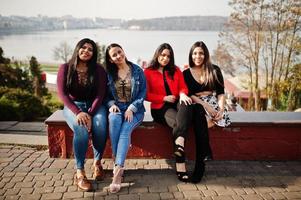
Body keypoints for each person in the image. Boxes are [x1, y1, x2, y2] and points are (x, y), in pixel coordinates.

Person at [57, 38, 108, 191]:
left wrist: (90, 114)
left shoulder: (98, 69)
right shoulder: (65, 68)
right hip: (74, 107)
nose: (86, 51)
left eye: (90, 49)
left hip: (95, 106)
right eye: (83, 48)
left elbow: (101, 94)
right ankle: (80, 172)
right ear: (78, 49)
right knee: (81, 129)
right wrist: (78, 112)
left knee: (100, 125)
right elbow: (62, 94)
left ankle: (97, 163)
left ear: (94, 53)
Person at [183, 41, 230, 183]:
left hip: (213, 103)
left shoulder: (214, 70)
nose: (198, 56)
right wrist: (205, 106)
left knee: (202, 124)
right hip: (197, 104)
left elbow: (221, 93)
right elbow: (189, 94)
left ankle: (203, 158)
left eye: (201, 53)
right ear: (191, 55)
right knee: (199, 117)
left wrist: (220, 109)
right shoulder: (185, 73)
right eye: (195, 53)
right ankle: (201, 164)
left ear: (206, 55)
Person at [144, 43, 192, 182]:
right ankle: (180, 164)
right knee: (179, 123)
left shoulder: (176, 70)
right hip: (160, 108)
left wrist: (183, 94)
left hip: (177, 103)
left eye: (168, 56)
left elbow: (183, 87)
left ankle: (179, 146)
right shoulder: (148, 72)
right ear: (157, 54)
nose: (165, 58)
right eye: (163, 55)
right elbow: (146, 95)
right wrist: (163, 98)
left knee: (186, 102)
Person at [105, 43, 146, 193]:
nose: (118, 56)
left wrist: (132, 107)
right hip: (117, 107)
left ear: (123, 51)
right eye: (114, 55)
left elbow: (143, 93)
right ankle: (118, 162)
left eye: (119, 52)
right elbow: (105, 95)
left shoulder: (137, 70)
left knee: (124, 131)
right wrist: (110, 104)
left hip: (134, 110)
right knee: (114, 119)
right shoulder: (109, 74)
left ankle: (117, 171)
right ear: (110, 59)